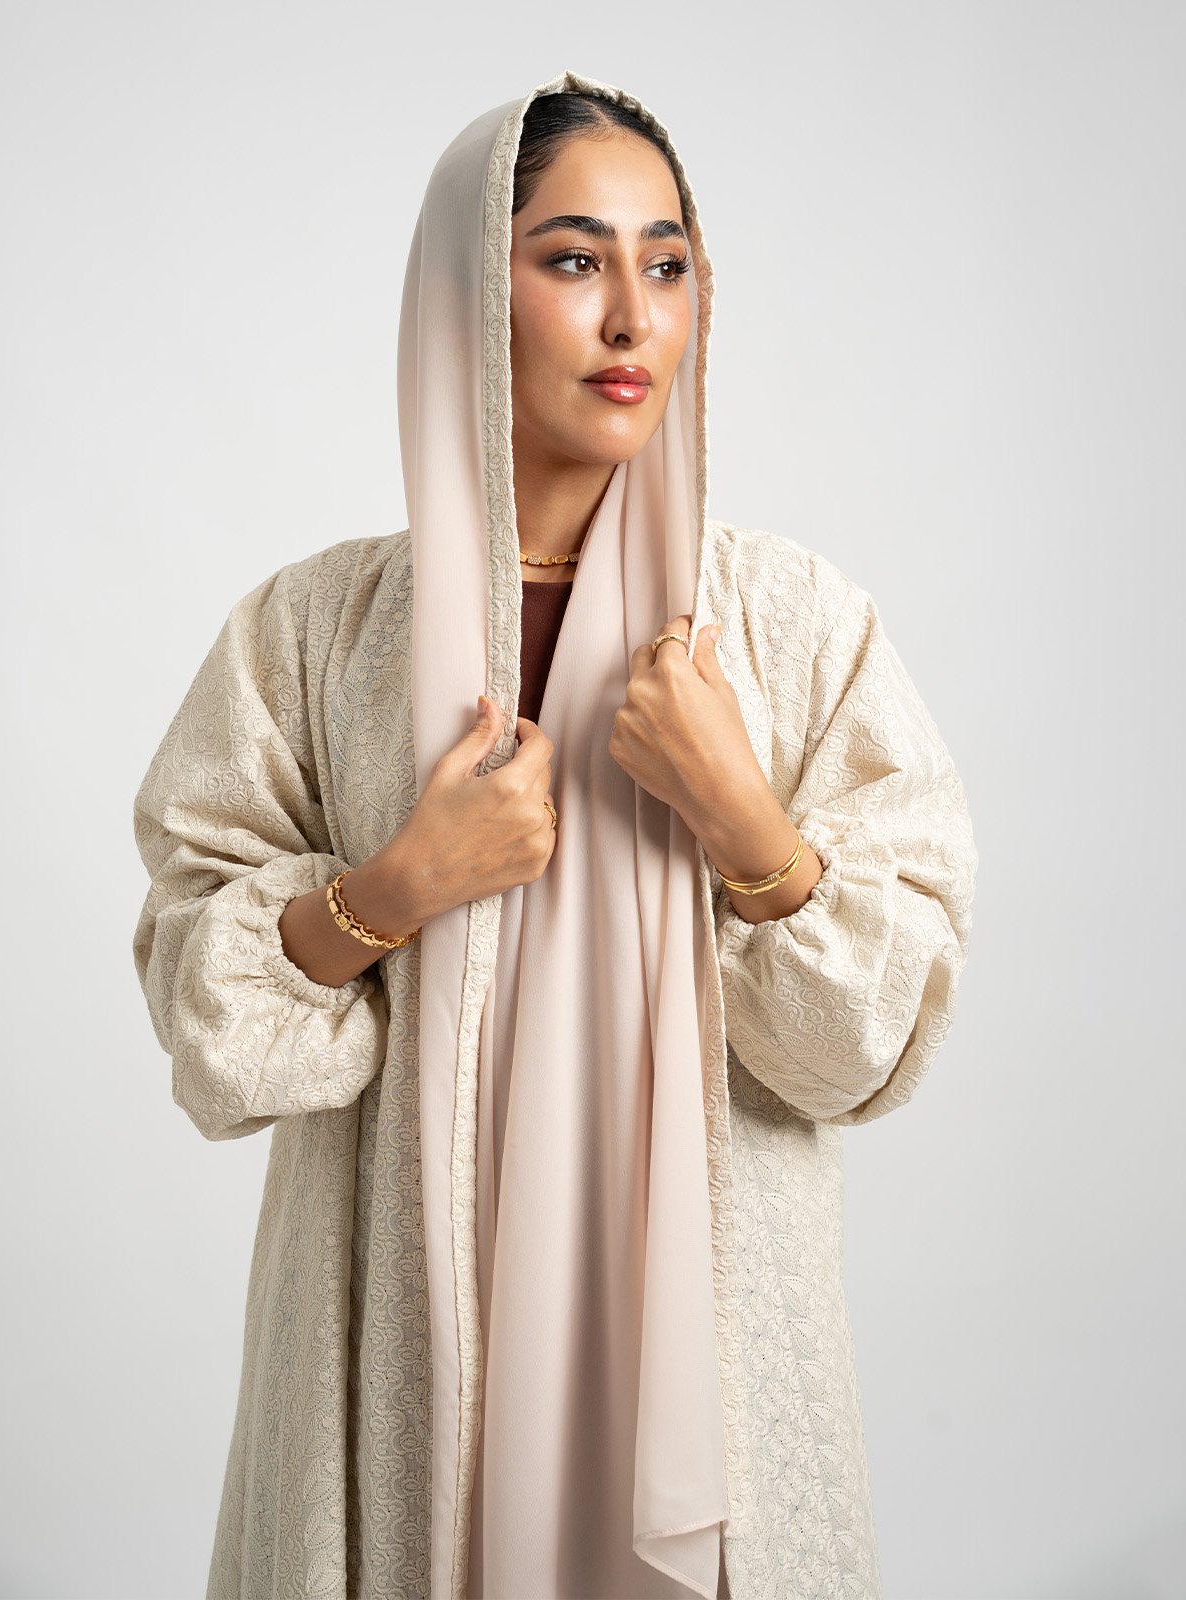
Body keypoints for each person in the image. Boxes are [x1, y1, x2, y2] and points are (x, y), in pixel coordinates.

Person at [131, 69, 978, 1600]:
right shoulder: (312, 633)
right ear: (469, 291)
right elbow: (215, 1033)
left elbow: (868, 1046)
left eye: (670, 265)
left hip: (702, 1368)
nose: (633, 317)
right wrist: (396, 888)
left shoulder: (792, 626)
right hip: (397, 1354)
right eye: (575, 260)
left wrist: (744, 821)